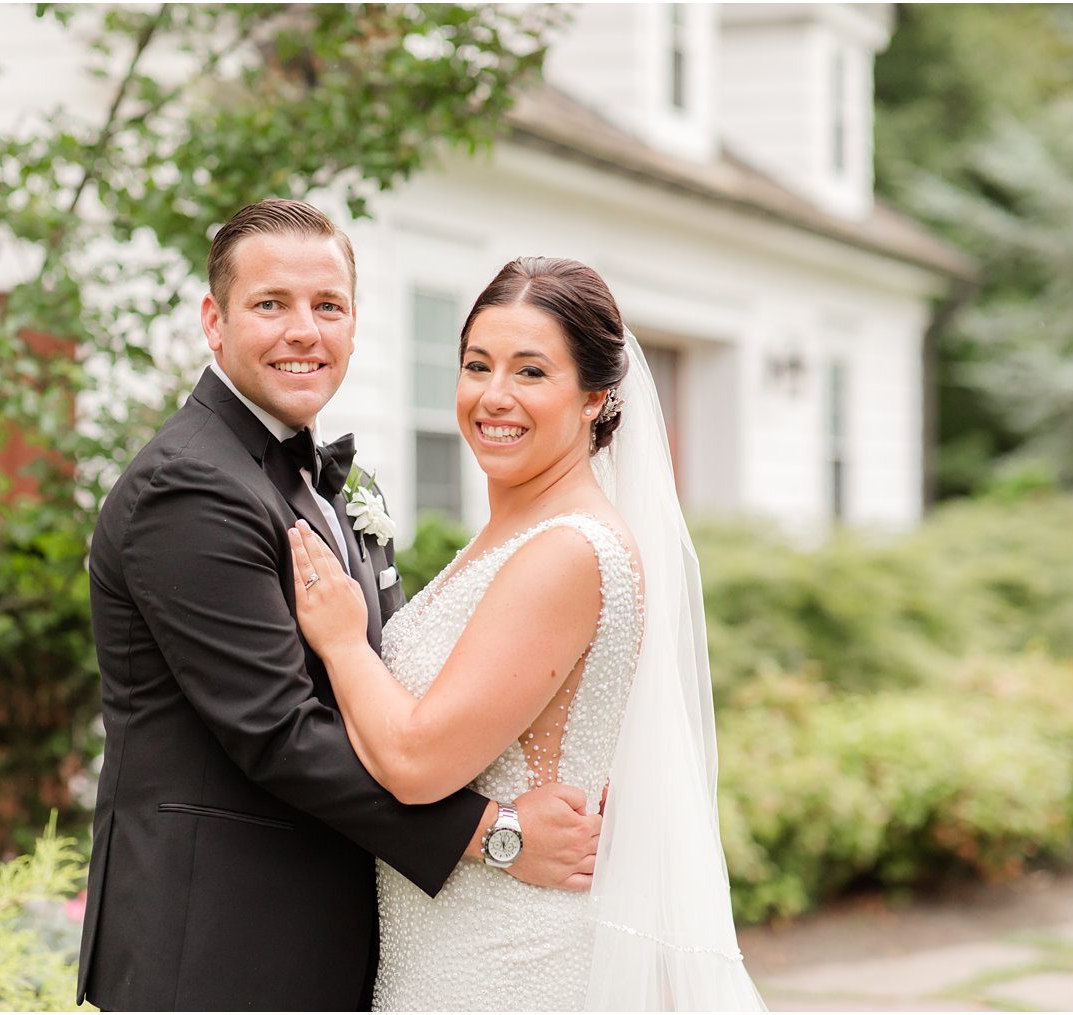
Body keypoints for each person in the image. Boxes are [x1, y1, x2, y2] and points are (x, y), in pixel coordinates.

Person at [75, 203, 605, 1012]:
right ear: (214, 322)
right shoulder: (189, 488)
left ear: (355, 325)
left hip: (333, 936)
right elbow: (278, 730)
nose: (304, 331)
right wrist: (495, 834)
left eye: (327, 306)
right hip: (219, 950)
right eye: (270, 304)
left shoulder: (327, 482)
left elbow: (389, 678)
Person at [289, 256, 767, 1011]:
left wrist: (344, 641)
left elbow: (416, 759)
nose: (494, 395)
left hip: (506, 962)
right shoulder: (514, 535)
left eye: (532, 372)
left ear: (596, 400)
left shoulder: (569, 551)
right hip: (448, 947)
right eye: (477, 364)